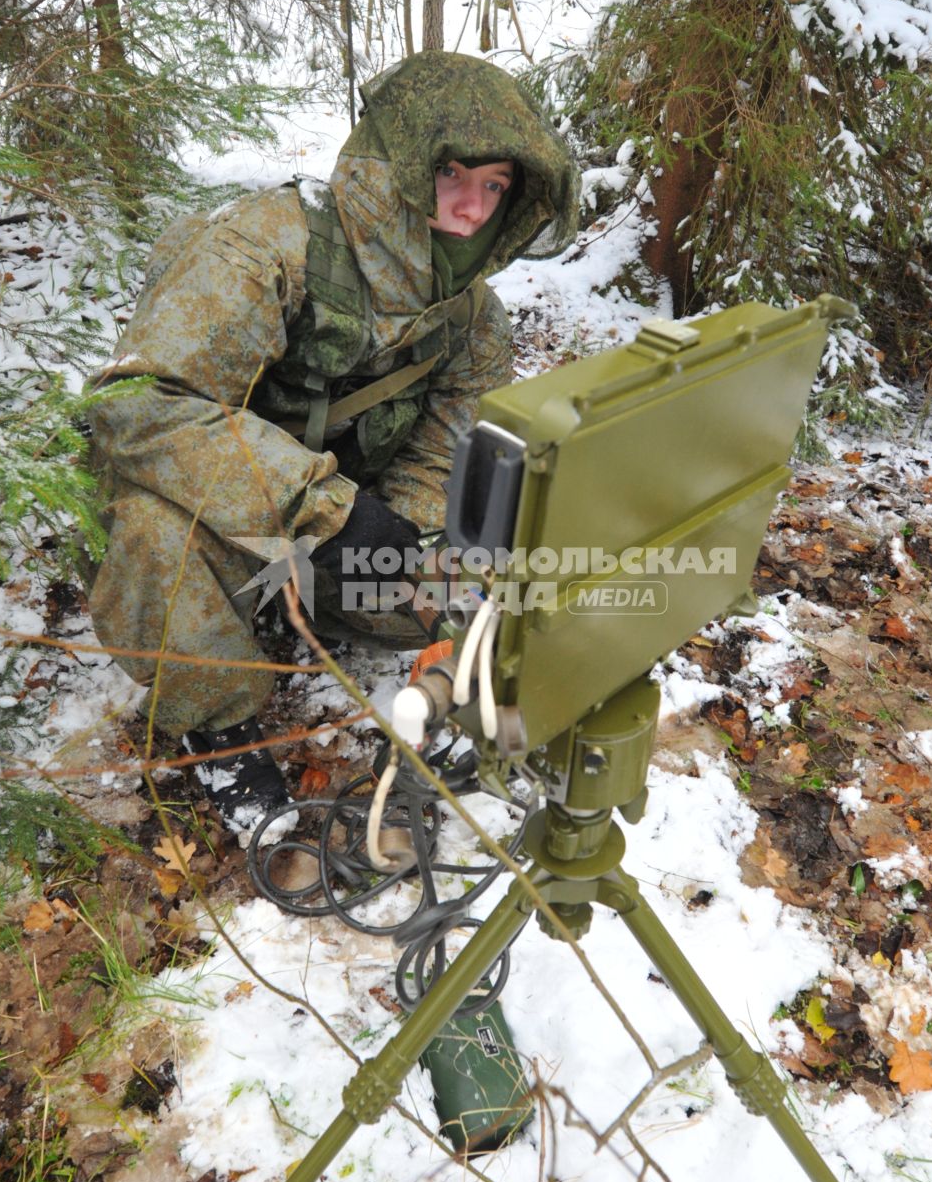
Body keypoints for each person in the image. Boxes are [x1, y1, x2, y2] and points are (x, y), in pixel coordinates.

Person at [86, 50, 579, 833]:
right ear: (404, 165)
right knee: (155, 541)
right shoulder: (265, 245)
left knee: (483, 598)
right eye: (454, 175)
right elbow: (142, 404)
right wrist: (324, 512)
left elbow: (443, 455)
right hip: (223, 516)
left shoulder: (473, 318)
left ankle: (346, 642)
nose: (472, 209)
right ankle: (216, 730)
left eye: (497, 186)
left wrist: (411, 555)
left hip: (343, 536)